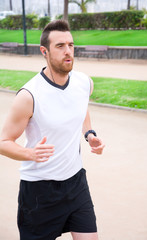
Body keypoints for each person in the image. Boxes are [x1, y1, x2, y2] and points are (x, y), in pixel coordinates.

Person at [0, 20, 105, 240]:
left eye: (71, 45)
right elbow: (3, 141)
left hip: (76, 184)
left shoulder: (84, 82)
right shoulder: (29, 95)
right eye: (60, 46)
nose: (68, 52)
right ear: (44, 51)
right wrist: (29, 154)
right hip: (40, 193)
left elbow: (80, 106)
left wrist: (89, 133)